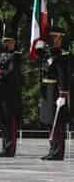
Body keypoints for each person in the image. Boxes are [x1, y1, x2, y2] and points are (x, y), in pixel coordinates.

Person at [37, 26, 70, 160]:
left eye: (56, 37)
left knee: (58, 123)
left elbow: (64, 75)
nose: (54, 40)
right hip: (47, 90)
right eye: (52, 37)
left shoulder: (63, 54)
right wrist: (39, 45)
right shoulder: (48, 53)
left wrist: (63, 94)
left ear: (61, 38)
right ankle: (52, 149)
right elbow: (41, 63)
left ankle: (58, 151)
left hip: (56, 90)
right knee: (50, 121)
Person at [0, 30, 22, 157]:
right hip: (1, 91)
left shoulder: (16, 55)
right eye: (4, 41)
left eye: (8, 41)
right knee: (3, 121)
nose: (6, 44)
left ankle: (10, 149)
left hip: (11, 93)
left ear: (13, 42)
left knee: (10, 121)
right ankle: (4, 147)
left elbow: (11, 72)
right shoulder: (2, 55)